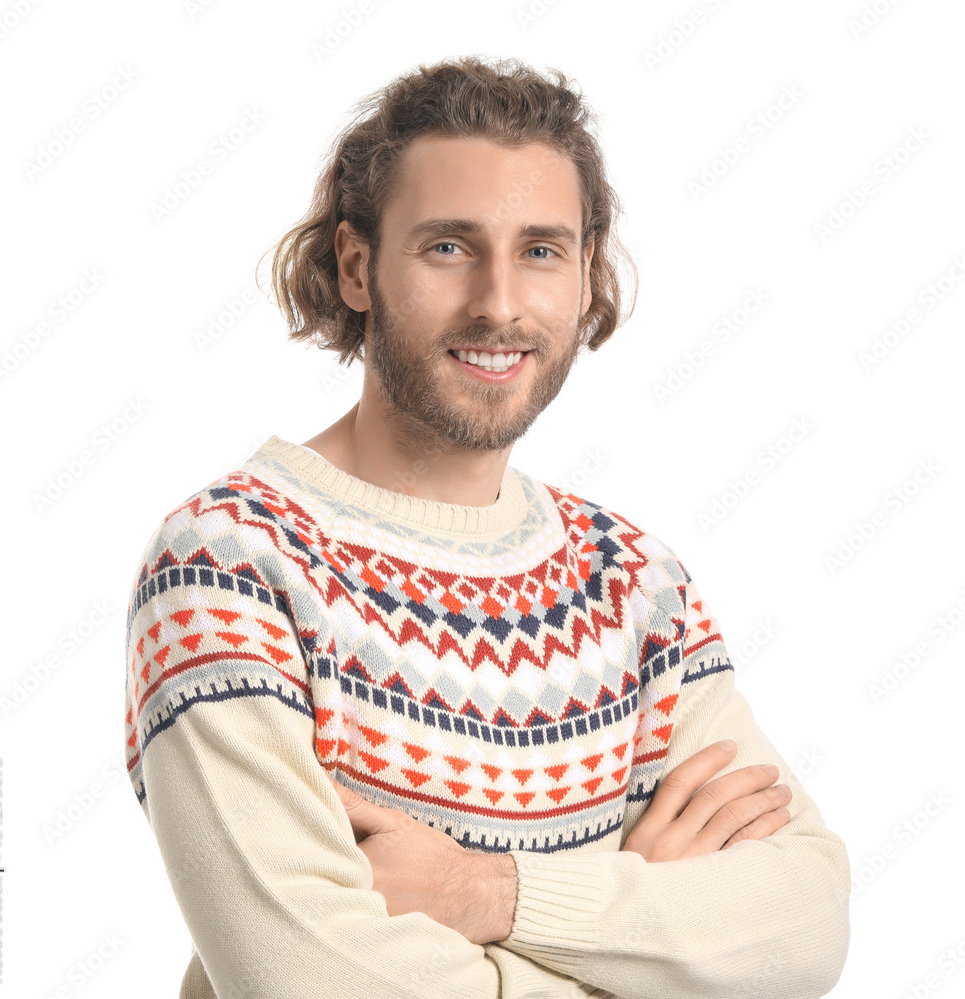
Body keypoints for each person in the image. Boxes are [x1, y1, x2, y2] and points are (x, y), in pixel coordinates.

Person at [124, 55, 850, 998]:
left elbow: (804, 925)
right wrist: (647, 942)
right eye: (449, 247)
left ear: (586, 274)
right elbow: (309, 981)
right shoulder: (230, 565)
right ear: (356, 266)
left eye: (541, 249)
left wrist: (492, 893)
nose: (500, 303)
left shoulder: (632, 580)